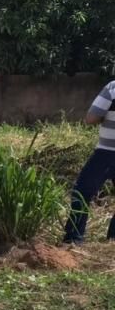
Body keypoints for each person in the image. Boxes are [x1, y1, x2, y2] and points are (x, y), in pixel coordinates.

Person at [63, 80, 115, 243]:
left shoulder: (113, 88)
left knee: (82, 192)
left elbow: (91, 118)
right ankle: (112, 239)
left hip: (107, 153)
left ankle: (74, 238)